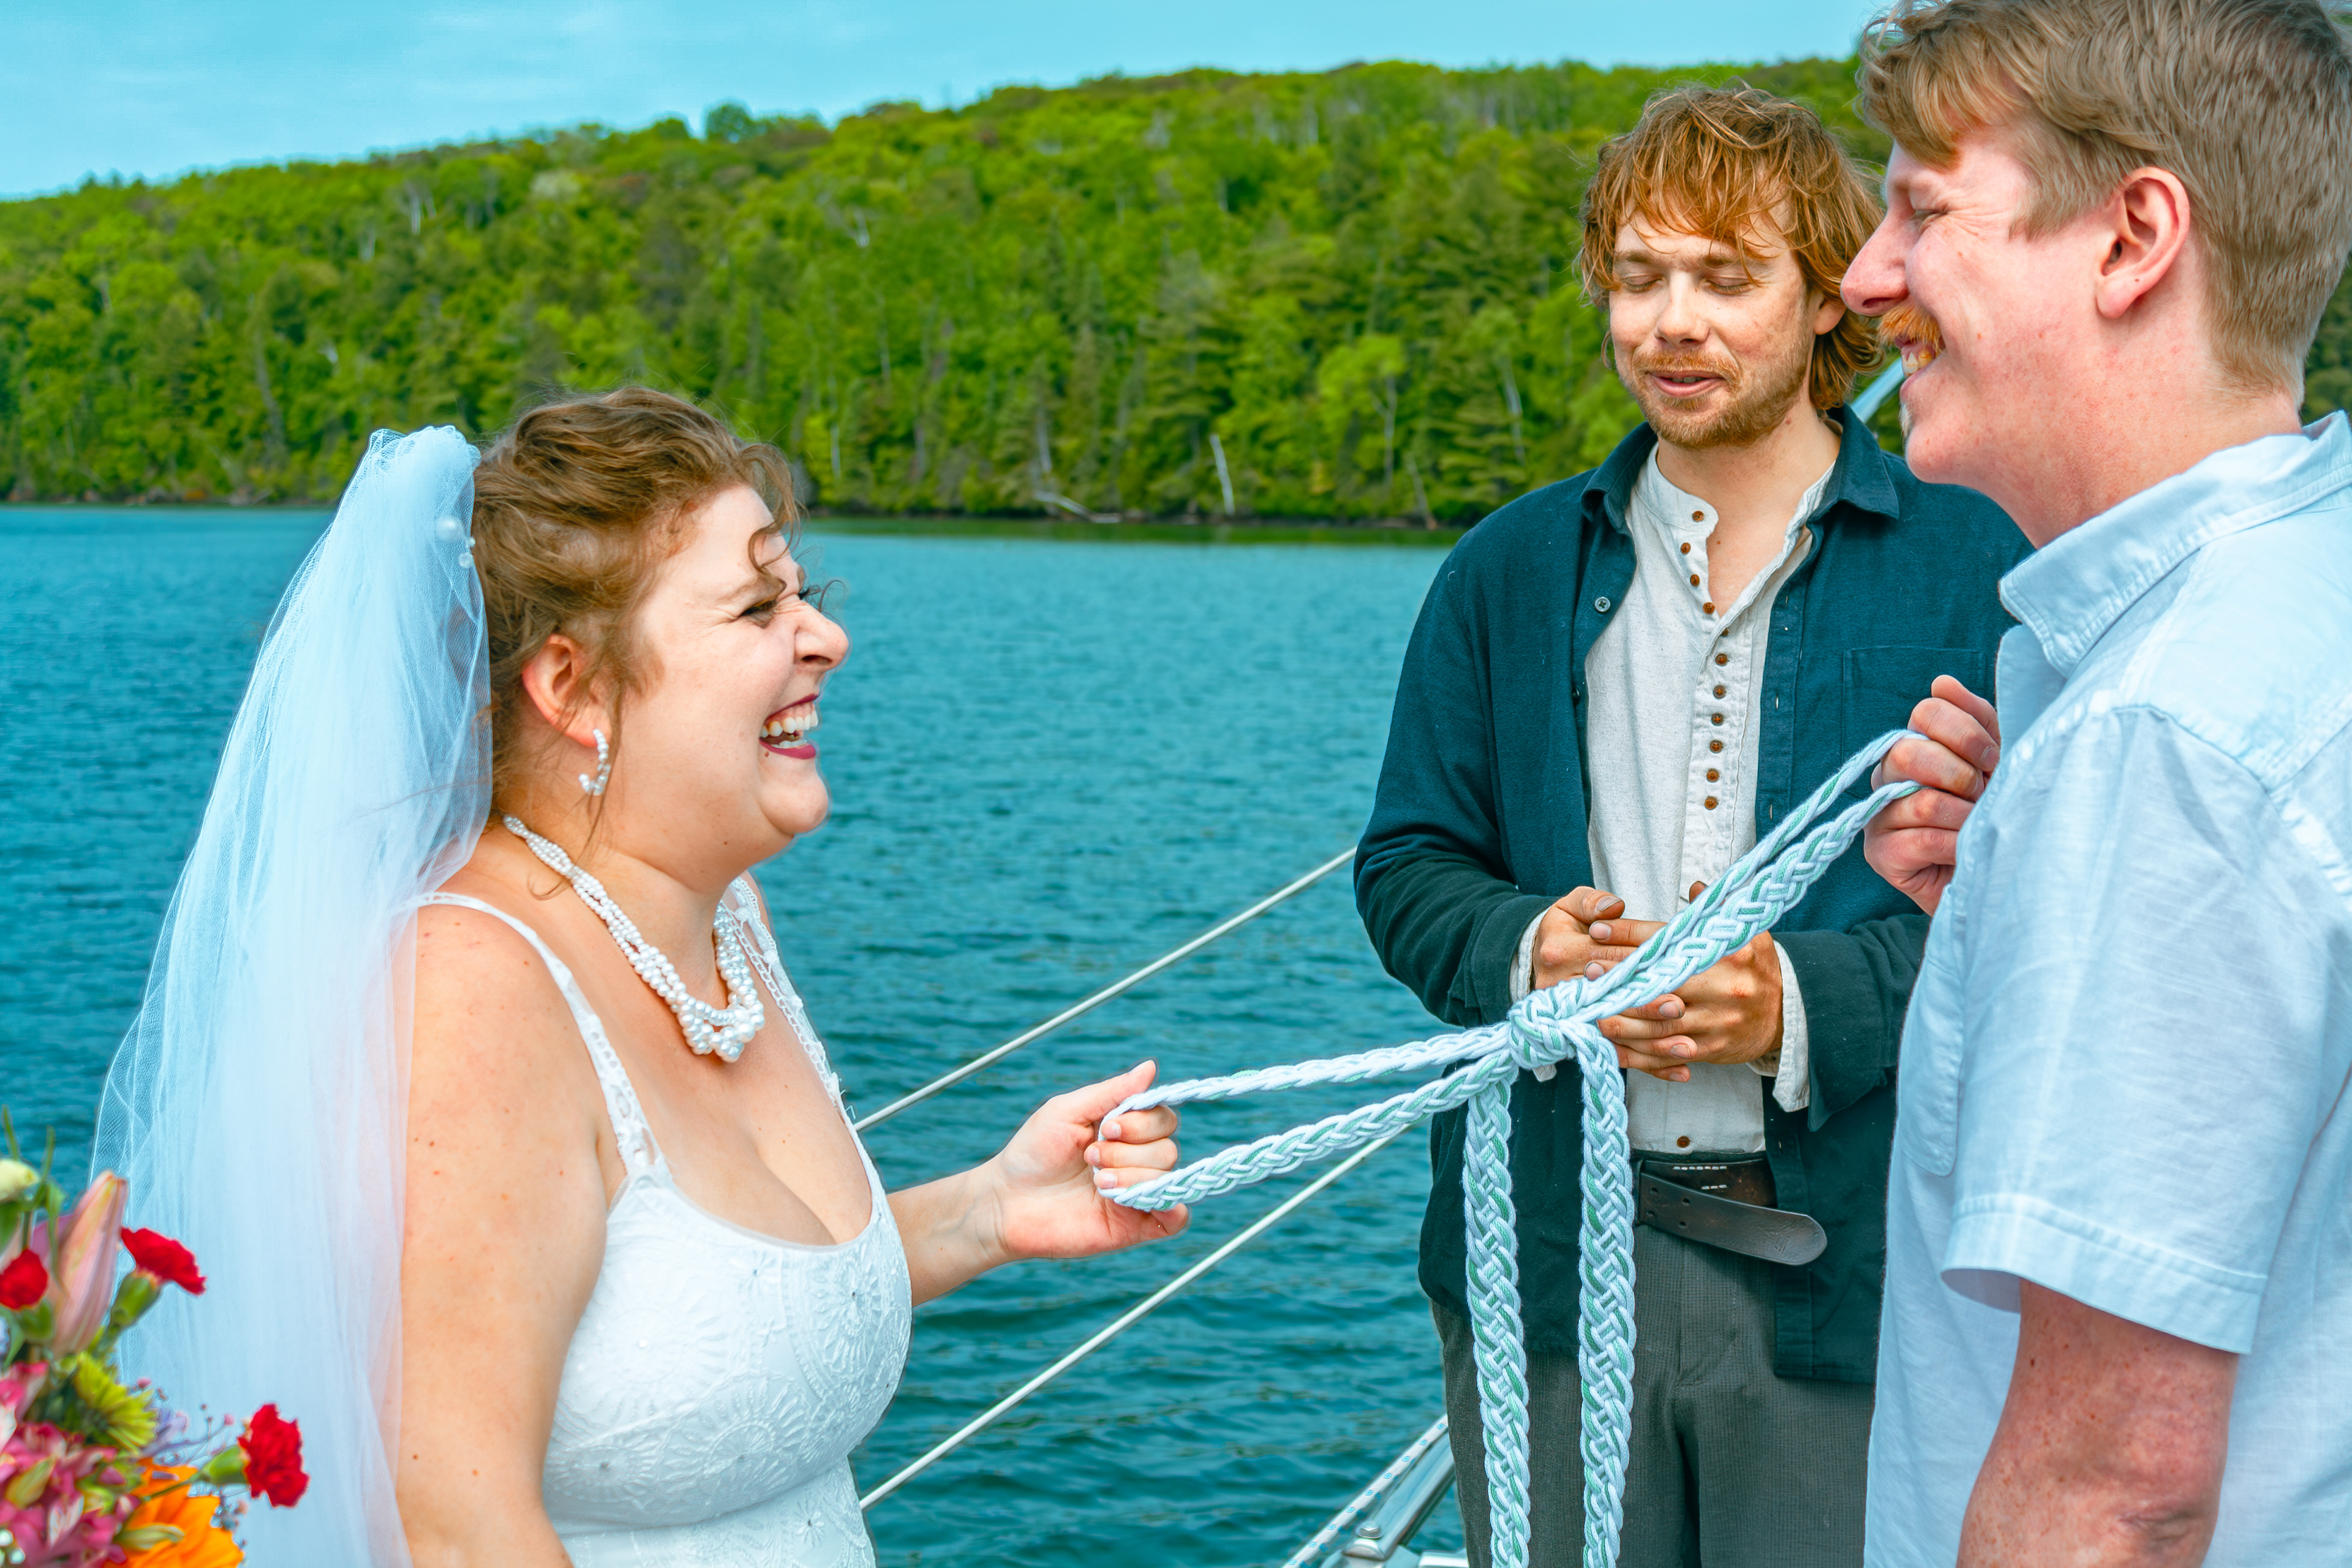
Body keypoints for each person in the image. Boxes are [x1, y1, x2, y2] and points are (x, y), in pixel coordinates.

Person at [94, 390, 1187, 1566]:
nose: (827, 639)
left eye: (804, 595)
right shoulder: (473, 995)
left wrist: (991, 1212)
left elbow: (704, 1327)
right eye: (758, 607)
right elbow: (456, 1526)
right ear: (571, 687)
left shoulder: (726, 921)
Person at [1354, 86, 2024, 1567]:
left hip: (1855, 1280)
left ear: (1827, 296)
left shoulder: (1980, 563)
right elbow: (1406, 864)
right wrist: (1526, 944)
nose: (1672, 321)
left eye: (1726, 278)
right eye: (1640, 274)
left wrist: (1798, 1002)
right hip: (1546, 1265)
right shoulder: (1503, 569)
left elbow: (2047, 919)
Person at [1838, 1, 2352, 1563]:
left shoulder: (2161, 740)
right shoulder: (2300, 610)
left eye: (1923, 210)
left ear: (2133, 239)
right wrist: (2027, 912)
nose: (1863, 278)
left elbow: (2118, 1490)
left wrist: (2103, 844)